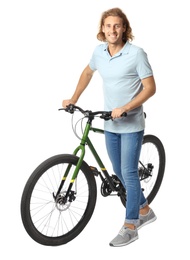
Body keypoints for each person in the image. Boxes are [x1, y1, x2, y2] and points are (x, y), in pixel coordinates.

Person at [62, 7, 157, 247]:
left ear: (124, 28)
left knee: (128, 173)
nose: (112, 30)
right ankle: (145, 209)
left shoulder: (136, 54)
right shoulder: (99, 52)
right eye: (108, 26)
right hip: (109, 121)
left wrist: (126, 107)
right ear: (102, 29)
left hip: (131, 123)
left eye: (117, 25)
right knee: (118, 170)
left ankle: (131, 225)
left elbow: (150, 88)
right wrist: (74, 98)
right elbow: (87, 72)